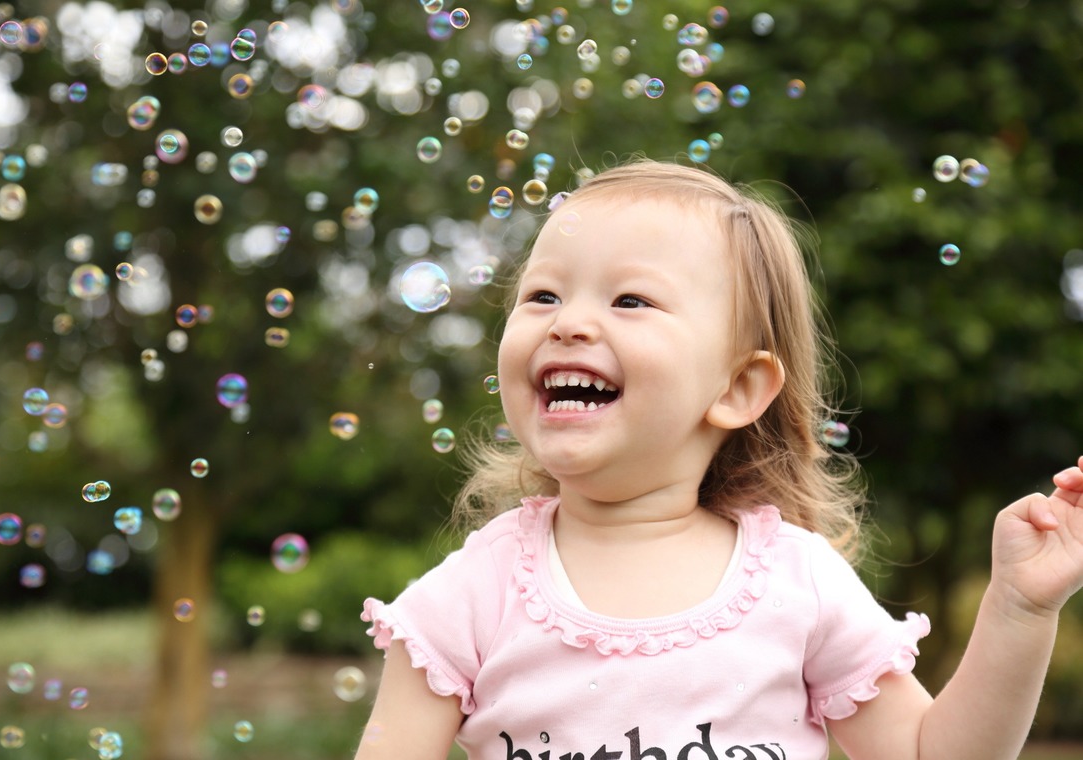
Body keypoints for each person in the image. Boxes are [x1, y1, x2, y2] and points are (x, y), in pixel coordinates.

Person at [357, 160, 1083, 760]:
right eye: (542, 294)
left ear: (738, 388)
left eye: (631, 300)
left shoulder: (797, 584)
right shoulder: (472, 596)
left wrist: (1019, 609)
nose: (570, 322)